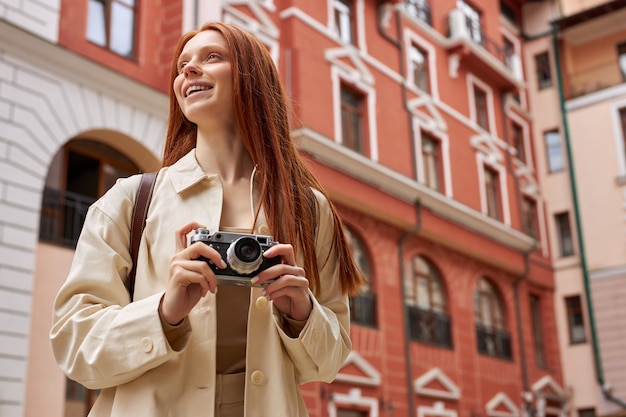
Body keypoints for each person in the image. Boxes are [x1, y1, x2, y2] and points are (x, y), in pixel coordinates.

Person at [50, 21, 364, 417]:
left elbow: (331, 360)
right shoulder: (131, 201)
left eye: (211, 57)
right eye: (183, 64)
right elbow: (73, 344)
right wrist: (164, 312)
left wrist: (301, 313)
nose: (189, 70)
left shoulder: (308, 209)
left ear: (253, 78)